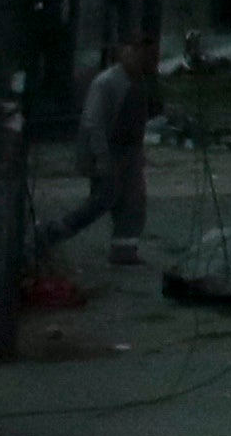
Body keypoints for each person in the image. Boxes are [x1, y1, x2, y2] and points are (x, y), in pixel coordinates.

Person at [46, 33, 158, 269]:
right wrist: (101, 156)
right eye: (136, 51)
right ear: (125, 52)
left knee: (133, 202)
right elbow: (93, 122)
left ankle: (124, 249)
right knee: (103, 200)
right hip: (108, 149)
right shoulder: (106, 82)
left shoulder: (140, 80)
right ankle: (54, 231)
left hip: (129, 151)